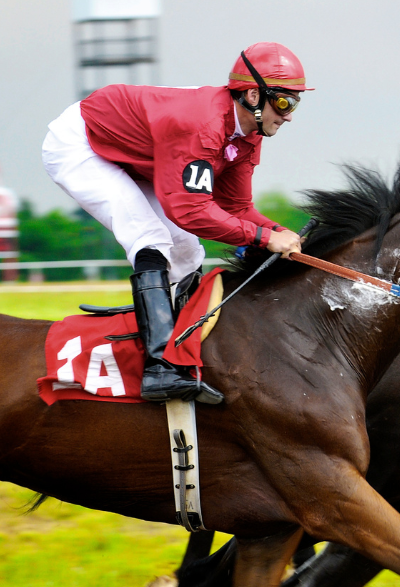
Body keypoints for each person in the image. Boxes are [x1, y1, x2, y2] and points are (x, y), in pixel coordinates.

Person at [41, 44, 308, 404]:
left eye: (295, 103)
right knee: (150, 238)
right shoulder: (203, 128)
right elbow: (191, 212)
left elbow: (235, 206)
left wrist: (274, 233)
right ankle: (158, 370)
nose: (289, 116)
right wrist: (262, 237)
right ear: (252, 94)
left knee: (185, 250)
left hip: (141, 154)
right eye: (284, 103)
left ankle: (186, 352)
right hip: (83, 143)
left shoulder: (249, 135)